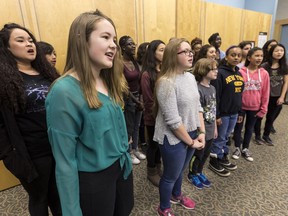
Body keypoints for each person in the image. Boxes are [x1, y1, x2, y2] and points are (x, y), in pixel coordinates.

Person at [45, 10, 134, 216]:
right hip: (94, 179)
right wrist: (71, 211)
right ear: (81, 41)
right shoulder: (63, 91)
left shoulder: (108, 79)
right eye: (105, 37)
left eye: (114, 39)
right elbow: (65, 162)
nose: (114, 44)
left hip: (121, 169)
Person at [0, 23, 61, 216]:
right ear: (6, 47)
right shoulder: (4, 78)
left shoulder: (48, 73)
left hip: (59, 147)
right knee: (39, 198)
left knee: (59, 196)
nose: (29, 44)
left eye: (30, 40)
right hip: (32, 154)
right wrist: (9, 156)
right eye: (20, 40)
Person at [153, 38, 205, 216]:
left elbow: (198, 107)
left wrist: (202, 132)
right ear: (173, 56)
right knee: (170, 175)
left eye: (191, 51)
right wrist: (191, 142)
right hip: (172, 136)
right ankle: (164, 208)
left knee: (180, 171)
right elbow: (173, 121)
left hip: (191, 132)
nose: (191, 54)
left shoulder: (190, 77)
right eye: (186, 51)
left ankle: (177, 195)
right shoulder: (166, 82)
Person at [209, 46, 244, 177]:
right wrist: (217, 115)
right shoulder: (220, 73)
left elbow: (240, 94)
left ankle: (222, 156)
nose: (236, 58)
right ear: (226, 56)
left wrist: (240, 112)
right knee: (220, 138)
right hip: (223, 113)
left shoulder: (239, 74)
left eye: (239, 55)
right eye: (233, 55)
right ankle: (214, 160)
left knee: (227, 137)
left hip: (234, 113)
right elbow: (216, 96)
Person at [232, 47, 270, 162]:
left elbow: (266, 92)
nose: (259, 58)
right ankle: (237, 147)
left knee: (249, 128)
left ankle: (245, 148)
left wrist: (264, 108)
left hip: (255, 107)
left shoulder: (264, 74)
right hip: (241, 107)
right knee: (238, 128)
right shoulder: (240, 72)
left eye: (261, 56)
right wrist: (236, 107)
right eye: (256, 56)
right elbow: (236, 91)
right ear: (249, 58)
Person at [187, 58, 218, 189]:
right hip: (201, 129)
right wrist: (201, 131)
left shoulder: (212, 88)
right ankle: (192, 173)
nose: (216, 71)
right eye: (213, 69)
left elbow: (213, 109)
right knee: (198, 154)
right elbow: (196, 112)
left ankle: (199, 171)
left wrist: (215, 127)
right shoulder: (197, 89)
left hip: (211, 128)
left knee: (206, 153)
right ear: (204, 70)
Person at [140, 39, 165, 187]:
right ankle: (151, 172)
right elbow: (149, 101)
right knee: (153, 145)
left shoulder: (164, 70)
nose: (165, 52)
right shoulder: (146, 75)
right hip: (153, 117)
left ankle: (158, 167)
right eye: (161, 50)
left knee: (161, 144)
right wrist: (158, 117)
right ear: (153, 52)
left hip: (164, 116)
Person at [119, 35, 146, 165]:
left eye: (134, 43)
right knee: (128, 127)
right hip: (128, 99)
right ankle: (128, 152)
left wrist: (141, 98)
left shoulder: (134, 61)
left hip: (138, 99)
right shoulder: (119, 63)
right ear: (123, 47)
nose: (134, 46)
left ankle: (135, 149)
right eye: (130, 44)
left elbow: (139, 81)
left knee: (137, 126)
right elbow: (123, 88)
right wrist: (137, 101)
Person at [254, 44, 288, 146]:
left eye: (281, 51)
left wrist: (282, 96)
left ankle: (266, 135)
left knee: (271, 117)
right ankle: (257, 136)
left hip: (277, 96)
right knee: (259, 116)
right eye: (277, 51)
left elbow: (286, 82)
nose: (279, 53)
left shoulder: (284, 66)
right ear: (271, 52)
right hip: (263, 96)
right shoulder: (264, 66)